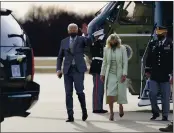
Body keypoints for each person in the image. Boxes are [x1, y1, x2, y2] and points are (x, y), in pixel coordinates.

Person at [56, 23, 91, 122]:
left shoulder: (82, 39)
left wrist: (86, 34)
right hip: (67, 71)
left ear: (77, 31)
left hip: (78, 70)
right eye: (71, 29)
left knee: (79, 92)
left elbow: (89, 42)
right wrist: (58, 69)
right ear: (68, 31)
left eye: (74, 29)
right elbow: (59, 57)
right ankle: (70, 115)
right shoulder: (64, 41)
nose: (72, 31)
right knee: (68, 93)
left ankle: (84, 111)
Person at [145, 26, 173, 121]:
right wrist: (147, 71)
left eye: (160, 34)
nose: (158, 35)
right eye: (157, 34)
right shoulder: (153, 44)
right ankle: (155, 112)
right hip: (154, 74)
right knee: (152, 93)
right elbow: (148, 58)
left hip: (166, 75)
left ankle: (165, 115)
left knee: (165, 96)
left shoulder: (170, 44)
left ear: (165, 33)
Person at [100, 33, 128, 121]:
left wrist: (124, 74)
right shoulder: (106, 49)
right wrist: (102, 74)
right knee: (110, 94)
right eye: (111, 41)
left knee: (120, 93)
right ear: (109, 41)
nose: (113, 42)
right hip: (110, 73)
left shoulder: (122, 48)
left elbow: (125, 62)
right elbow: (104, 62)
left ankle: (120, 106)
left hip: (119, 72)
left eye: (114, 40)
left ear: (117, 41)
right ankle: (111, 112)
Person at [89, 29, 108, 114]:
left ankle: (99, 107)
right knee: (97, 89)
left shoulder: (99, 44)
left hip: (100, 68)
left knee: (100, 89)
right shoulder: (97, 44)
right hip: (97, 68)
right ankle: (96, 108)